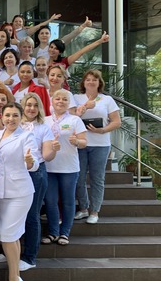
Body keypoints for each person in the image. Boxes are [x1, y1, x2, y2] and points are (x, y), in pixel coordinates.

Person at [0, 102, 39, 281]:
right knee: (12, 236)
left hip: (20, 192)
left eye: (15, 115)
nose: (11, 119)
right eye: (7, 115)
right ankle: (13, 280)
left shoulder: (26, 136)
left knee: (8, 237)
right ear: (1, 117)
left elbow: (33, 162)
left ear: (20, 117)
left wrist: (30, 162)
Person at [74, 69, 121, 224]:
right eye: (88, 79)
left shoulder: (107, 99)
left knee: (97, 179)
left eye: (94, 80)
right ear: (83, 82)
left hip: (100, 145)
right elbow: (71, 118)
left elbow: (116, 122)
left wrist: (103, 130)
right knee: (79, 178)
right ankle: (83, 208)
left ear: (99, 83)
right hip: (80, 144)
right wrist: (85, 107)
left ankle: (94, 211)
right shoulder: (76, 98)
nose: (91, 82)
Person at [42, 89, 87, 245]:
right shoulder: (45, 120)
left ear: (69, 103)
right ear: (52, 101)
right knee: (50, 201)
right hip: (49, 166)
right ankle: (53, 232)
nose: (60, 101)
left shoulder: (75, 120)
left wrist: (77, 141)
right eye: (57, 99)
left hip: (69, 167)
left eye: (64, 99)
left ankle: (65, 233)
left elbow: (84, 142)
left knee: (68, 201)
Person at [18, 93, 57, 271]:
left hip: (36, 173)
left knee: (31, 215)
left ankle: (29, 257)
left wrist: (54, 150)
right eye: (28, 105)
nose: (31, 108)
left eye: (35, 105)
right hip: (16, 172)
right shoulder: (16, 124)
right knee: (13, 214)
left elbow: (47, 155)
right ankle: (10, 250)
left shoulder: (43, 128)